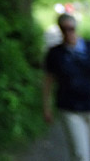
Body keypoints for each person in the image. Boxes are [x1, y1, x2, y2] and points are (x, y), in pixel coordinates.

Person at [43, 13, 90, 161]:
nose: (69, 32)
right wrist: (46, 106)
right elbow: (48, 81)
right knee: (80, 154)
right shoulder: (55, 53)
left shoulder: (88, 47)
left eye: (71, 28)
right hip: (69, 107)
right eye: (65, 29)